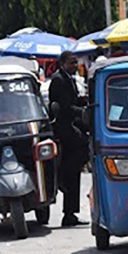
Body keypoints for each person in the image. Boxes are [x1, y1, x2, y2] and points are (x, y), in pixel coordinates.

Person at [49, 51, 89, 227]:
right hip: (65, 129)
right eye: (72, 63)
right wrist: (82, 111)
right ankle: (62, 179)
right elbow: (65, 107)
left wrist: (85, 101)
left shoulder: (69, 78)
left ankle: (70, 214)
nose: (75, 66)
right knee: (86, 148)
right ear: (63, 63)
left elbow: (72, 100)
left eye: (76, 63)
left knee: (75, 174)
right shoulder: (58, 80)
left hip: (73, 124)